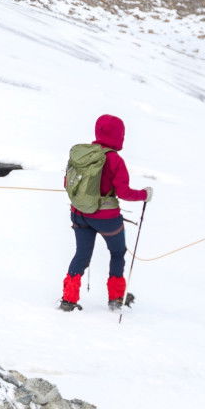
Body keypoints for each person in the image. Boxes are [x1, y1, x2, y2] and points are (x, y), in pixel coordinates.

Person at [60, 113, 148, 312]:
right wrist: (144, 195)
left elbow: (67, 182)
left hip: (79, 212)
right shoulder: (115, 160)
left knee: (81, 255)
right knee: (117, 252)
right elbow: (124, 193)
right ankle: (116, 298)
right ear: (118, 135)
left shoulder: (82, 155)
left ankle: (68, 299)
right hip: (106, 218)